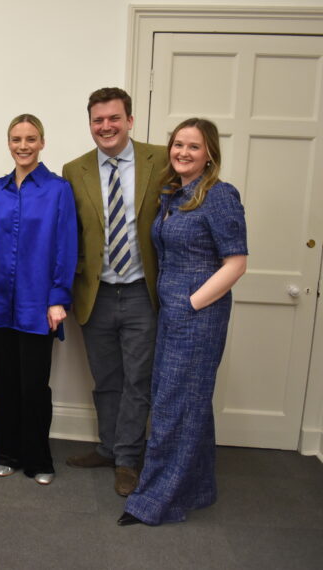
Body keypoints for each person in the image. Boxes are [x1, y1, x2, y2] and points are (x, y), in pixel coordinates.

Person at [119, 118, 248, 526]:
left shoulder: (220, 196)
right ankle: (197, 488)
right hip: (171, 312)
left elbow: (237, 263)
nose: (183, 153)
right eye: (178, 145)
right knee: (188, 403)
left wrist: (191, 303)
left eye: (193, 147)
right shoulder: (174, 194)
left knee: (174, 407)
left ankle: (154, 501)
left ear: (209, 153)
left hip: (198, 317)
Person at [62, 87, 168, 496]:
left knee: (137, 381)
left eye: (113, 118)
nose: (105, 126)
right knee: (106, 378)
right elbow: (70, 234)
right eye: (97, 120)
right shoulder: (75, 170)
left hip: (143, 291)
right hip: (96, 293)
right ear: (90, 124)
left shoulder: (160, 159)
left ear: (129, 120)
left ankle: (127, 459)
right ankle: (108, 447)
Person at [0, 114, 78, 485]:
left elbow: (66, 246)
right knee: (3, 383)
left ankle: (39, 459)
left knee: (34, 386)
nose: (23, 145)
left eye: (30, 139)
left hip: (38, 305)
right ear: (8, 143)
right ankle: (6, 452)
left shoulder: (58, 189)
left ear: (42, 143)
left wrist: (58, 297)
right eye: (16, 139)